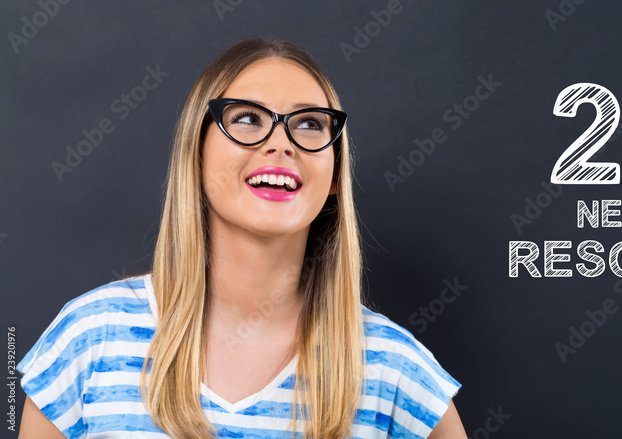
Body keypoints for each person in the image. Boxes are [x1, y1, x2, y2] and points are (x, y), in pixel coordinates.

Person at [17, 35, 466, 438]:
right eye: (248, 118)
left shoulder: (392, 365)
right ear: (196, 153)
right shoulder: (91, 337)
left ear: (334, 174)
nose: (281, 143)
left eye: (310, 124)